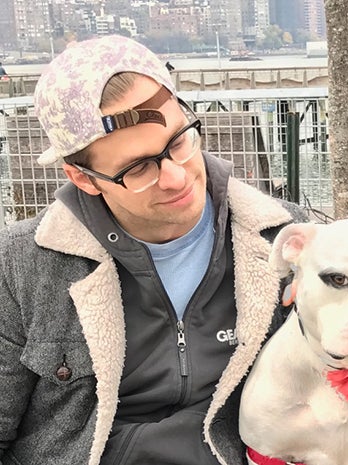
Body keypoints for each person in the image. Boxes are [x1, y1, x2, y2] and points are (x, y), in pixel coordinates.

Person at [0, 35, 306, 465]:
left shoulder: (291, 243)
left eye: (179, 142)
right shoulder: (20, 266)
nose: (176, 178)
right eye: (138, 168)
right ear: (83, 178)